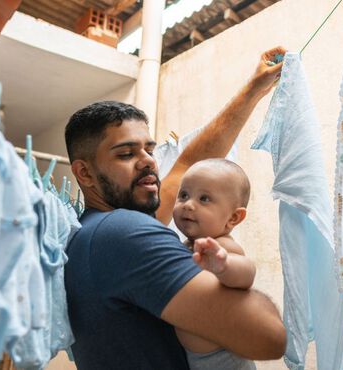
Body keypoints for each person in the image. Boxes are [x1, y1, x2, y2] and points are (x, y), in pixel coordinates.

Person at [64, 46, 287, 369]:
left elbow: (185, 166)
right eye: (126, 154)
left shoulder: (94, 230)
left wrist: (253, 90)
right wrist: (243, 283)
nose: (148, 162)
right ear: (84, 173)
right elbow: (269, 338)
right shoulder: (124, 233)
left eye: (149, 149)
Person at [173, 159, 258, 370]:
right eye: (183, 195)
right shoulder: (184, 246)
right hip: (196, 359)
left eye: (204, 199)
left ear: (233, 218)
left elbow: (247, 272)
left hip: (226, 359)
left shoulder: (224, 248)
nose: (188, 204)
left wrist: (224, 266)